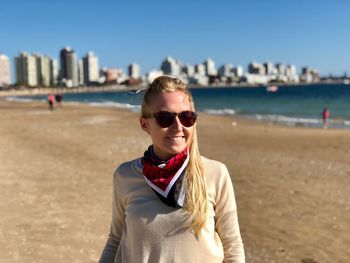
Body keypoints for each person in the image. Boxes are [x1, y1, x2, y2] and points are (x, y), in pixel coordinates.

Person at [99, 76, 245, 263]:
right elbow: (115, 241)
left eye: (186, 117)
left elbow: (233, 247)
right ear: (145, 124)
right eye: (165, 118)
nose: (178, 127)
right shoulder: (125, 175)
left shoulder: (216, 173)